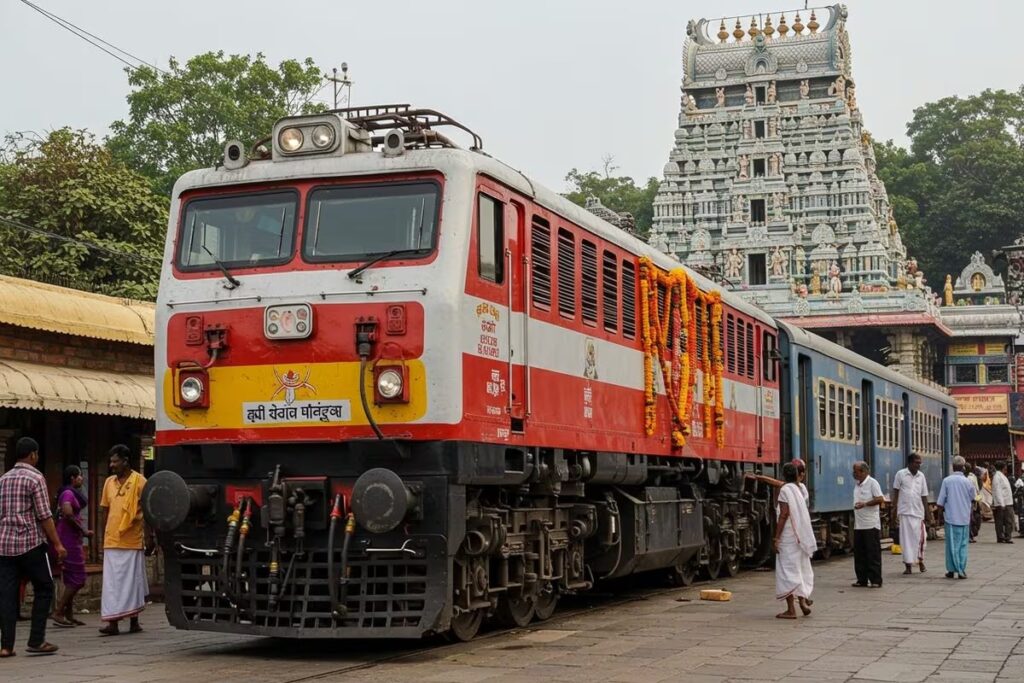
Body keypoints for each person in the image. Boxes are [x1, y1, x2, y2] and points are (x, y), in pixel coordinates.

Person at [0, 437, 66, 657]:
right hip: (30, 543)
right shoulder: (36, 478)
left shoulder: (3, 479)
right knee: (44, 587)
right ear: (33, 455)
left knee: (7, 595)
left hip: (4, 545)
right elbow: (44, 515)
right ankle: (36, 640)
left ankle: (6, 645)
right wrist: (57, 544)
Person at [98, 444, 152, 636]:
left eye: (115, 461)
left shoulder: (140, 481)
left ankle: (133, 621)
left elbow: (148, 511)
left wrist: (150, 537)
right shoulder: (108, 482)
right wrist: (103, 536)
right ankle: (112, 623)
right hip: (112, 540)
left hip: (132, 540)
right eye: (110, 462)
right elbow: (105, 511)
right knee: (112, 584)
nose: (112, 465)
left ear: (125, 461)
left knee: (132, 582)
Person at [773, 462, 816, 619]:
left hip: (788, 535)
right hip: (800, 535)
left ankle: (791, 610)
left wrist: (776, 537)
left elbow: (784, 514)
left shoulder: (785, 490)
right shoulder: (799, 488)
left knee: (787, 571)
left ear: (784, 475)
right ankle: (803, 603)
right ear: (797, 475)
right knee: (800, 568)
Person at [51, 466, 92, 627]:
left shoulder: (67, 492)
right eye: (79, 476)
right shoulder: (68, 493)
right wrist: (84, 531)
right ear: (72, 478)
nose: (82, 478)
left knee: (70, 579)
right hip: (68, 540)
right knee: (79, 578)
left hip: (70, 538)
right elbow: (68, 513)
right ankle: (58, 612)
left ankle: (68, 615)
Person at [935, 456, 977, 579]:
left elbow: (940, 502)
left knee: (951, 545)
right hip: (964, 518)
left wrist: (939, 518)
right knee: (962, 545)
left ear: (953, 467)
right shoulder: (968, 482)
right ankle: (961, 569)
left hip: (951, 518)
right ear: (963, 468)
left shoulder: (947, 481)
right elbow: (973, 498)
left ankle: (951, 569)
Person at [891, 453, 933, 575]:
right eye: (916, 462)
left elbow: (924, 496)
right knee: (906, 541)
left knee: (920, 539)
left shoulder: (921, 476)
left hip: (918, 513)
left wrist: (928, 515)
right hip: (904, 512)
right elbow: (896, 494)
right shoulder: (900, 474)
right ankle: (908, 565)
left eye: (920, 463)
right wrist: (893, 512)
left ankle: (920, 561)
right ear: (909, 463)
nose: (918, 465)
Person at [851, 461, 884, 588]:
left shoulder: (872, 483)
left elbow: (880, 499)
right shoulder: (857, 485)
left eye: (856, 471)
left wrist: (865, 504)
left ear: (864, 472)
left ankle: (875, 579)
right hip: (859, 525)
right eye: (854, 471)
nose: (854, 474)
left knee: (872, 553)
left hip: (871, 524)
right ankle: (862, 579)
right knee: (860, 553)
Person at [991, 462, 1014, 544]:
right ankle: (1002, 537)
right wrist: (1001, 503)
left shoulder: (1002, 476)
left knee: (1008, 521)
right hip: (1003, 503)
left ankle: (1006, 536)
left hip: (1007, 501)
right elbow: (997, 491)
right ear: (1003, 467)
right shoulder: (997, 477)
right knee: (1001, 521)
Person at [966, 467, 982, 543]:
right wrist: (977, 499)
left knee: (972, 520)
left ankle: (971, 535)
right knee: (971, 520)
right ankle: (970, 536)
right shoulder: (972, 478)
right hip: (972, 502)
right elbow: (974, 493)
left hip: (973, 501)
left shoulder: (973, 478)